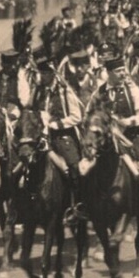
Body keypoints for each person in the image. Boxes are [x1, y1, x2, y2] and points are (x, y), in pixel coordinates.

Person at [85, 54, 139, 221]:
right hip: (105, 140)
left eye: (123, 70)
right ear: (109, 72)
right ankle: (86, 206)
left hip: (131, 137)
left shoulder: (132, 90)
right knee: (85, 167)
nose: (123, 74)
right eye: (118, 71)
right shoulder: (99, 93)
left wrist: (125, 122)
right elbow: (89, 114)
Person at [31, 54, 87, 222]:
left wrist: (56, 125)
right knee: (26, 164)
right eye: (41, 73)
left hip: (62, 135)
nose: (43, 76)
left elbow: (77, 117)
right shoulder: (40, 91)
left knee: (73, 166)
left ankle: (78, 205)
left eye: (46, 73)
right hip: (42, 136)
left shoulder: (64, 91)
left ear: (53, 73)